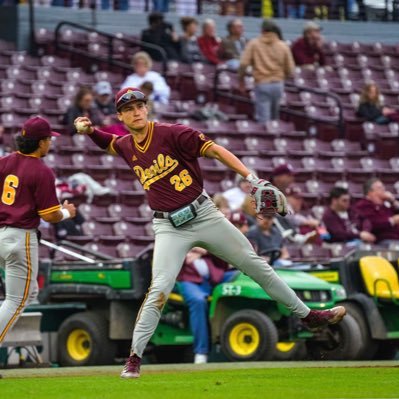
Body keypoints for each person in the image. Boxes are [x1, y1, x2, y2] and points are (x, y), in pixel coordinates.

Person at [74, 87, 346, 379]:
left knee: (256, 266)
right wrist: (90, 131)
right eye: (128, 109)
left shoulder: (173, 133)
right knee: (160, 289)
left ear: (147, 108)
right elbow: (110, 143)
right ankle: (134, 358)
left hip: (204, 214)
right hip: (168, 226)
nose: (135, 112)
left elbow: (215, 150)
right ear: (120, 115)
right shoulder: (128, 145)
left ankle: (309, 317)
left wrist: (251, 179)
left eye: (139, 106)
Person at [0, 116, 76, 348]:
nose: (50, 143)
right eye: (48, 139)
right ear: (41, 142)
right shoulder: (42, 171)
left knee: (29, 292)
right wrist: (66, 213)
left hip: (1, 233)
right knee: (16, 300)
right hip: (20, 236)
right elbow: (49, 215)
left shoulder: (4, 162)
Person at [177, 248, 233, 364]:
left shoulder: (207, 236)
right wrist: (187, 249)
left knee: (245, 277)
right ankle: (201, 352)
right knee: (198, 301)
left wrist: (204, 251)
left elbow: (224, 257)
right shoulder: (173, 235)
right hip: (189, 281)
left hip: (215, 278)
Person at [239, 19, 295, 122]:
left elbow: (243, 63)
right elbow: (290, 68)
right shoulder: (283, 45)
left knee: (263, 118)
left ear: (262, 30)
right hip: (278, 84)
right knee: (274, 117)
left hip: (262, 83)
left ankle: (266, 137)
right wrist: (283, 77)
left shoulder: (254, 44)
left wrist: (241, 80)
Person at [354, 178, 399, 247]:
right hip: (382, 240)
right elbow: (372, 224)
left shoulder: (386, 205)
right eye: (380, 188)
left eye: (383, 187)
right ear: (370, 192)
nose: (384, 190)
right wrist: (392, 221)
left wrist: (393, 201)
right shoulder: (364, 205)